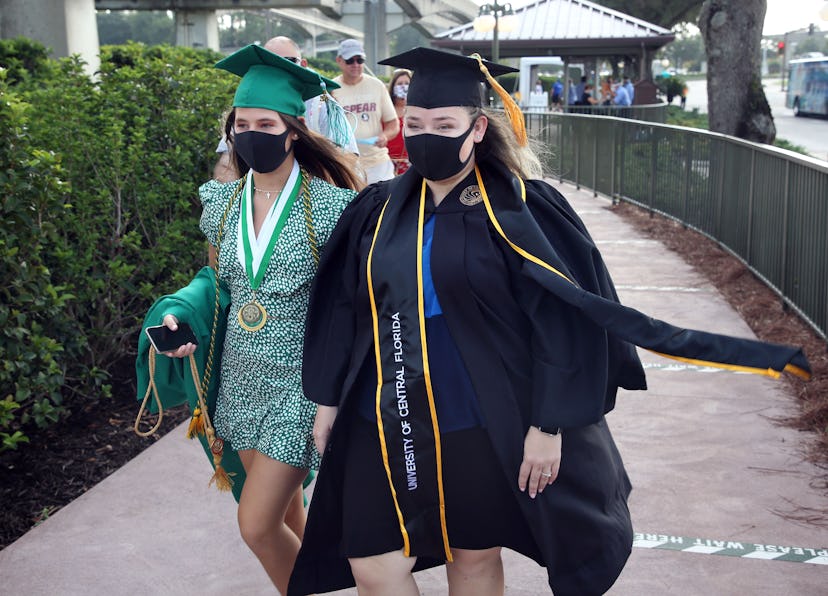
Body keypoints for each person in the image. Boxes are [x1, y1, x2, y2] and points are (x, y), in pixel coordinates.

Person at [287, 47, 810, 596]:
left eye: (445, 124)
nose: (426, 136)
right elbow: (344, 305)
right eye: (415, 125)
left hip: (475, 410)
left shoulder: (519, 209)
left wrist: (549, 425)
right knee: (371, 560)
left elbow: (561, 322)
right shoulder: (379, 208)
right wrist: (326, 401)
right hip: (385, 407)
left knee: (473, 554)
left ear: (477, 128)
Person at [156, 44, 362, 594]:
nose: (251, 133)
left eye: (264, 123)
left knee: (256, 524)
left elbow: (350, 303)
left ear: (292, 130)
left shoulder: (330, 206)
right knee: (290, 517)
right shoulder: (221, 204)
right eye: (241, 123)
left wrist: (338, 391)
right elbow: (217, 285)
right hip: (240, 383)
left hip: (300, 384)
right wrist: (181, 319)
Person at [213, 36, 358, 182]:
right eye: (272, 63)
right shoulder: (251, 102)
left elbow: (347, 158)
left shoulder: (322, 105)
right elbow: (227, 161)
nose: (282, 69)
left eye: (289, 61)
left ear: (303, 64)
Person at [332, 38, 400, 184]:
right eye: (350, 60)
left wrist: (385, 136)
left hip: (377, 162)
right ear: (339, 60)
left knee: (384, 204)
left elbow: (393, 123)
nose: (356, 65)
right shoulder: (331, 89)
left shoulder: (377, 85)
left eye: (360, 60)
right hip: (345, 163)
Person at [386, 68, 412, 175]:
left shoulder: (417, 110)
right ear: (393, 87)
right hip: (388, 165)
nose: (403, 86)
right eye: (400, 83)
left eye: (407, 83)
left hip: (410, 166)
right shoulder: (386, 110)